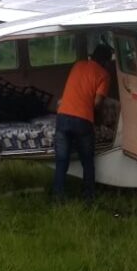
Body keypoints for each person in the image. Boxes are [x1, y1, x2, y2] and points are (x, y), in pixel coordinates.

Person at [52, 43, 114, 202]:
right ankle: (88, 196)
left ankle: (58, 196)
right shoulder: (104, 75)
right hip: (82, 120)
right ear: (106, 61)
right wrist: (100, 120)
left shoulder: (78, 65)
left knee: (61, 160)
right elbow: (97, 103)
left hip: (63, 117)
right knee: (87, 161)